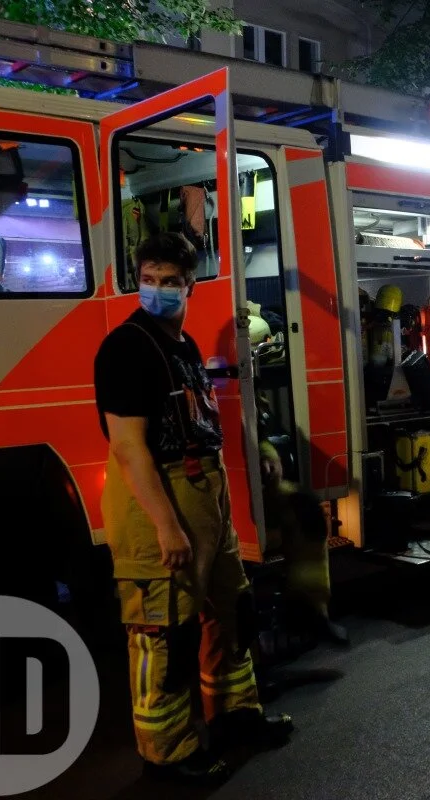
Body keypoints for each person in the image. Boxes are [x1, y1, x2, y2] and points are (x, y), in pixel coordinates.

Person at [94, 233, 292, 786]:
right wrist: (166, 525)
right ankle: (168, 755)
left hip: (204, 496)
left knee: (229, 610)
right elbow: (129, 447)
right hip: (158, 499)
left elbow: (198, 420)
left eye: (170, 280)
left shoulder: (180, 346)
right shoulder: (126, 347)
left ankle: (234, 717)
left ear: (190, 285)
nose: (157, 290)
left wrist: (261, 458)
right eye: (149, 279)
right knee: (165, 633)